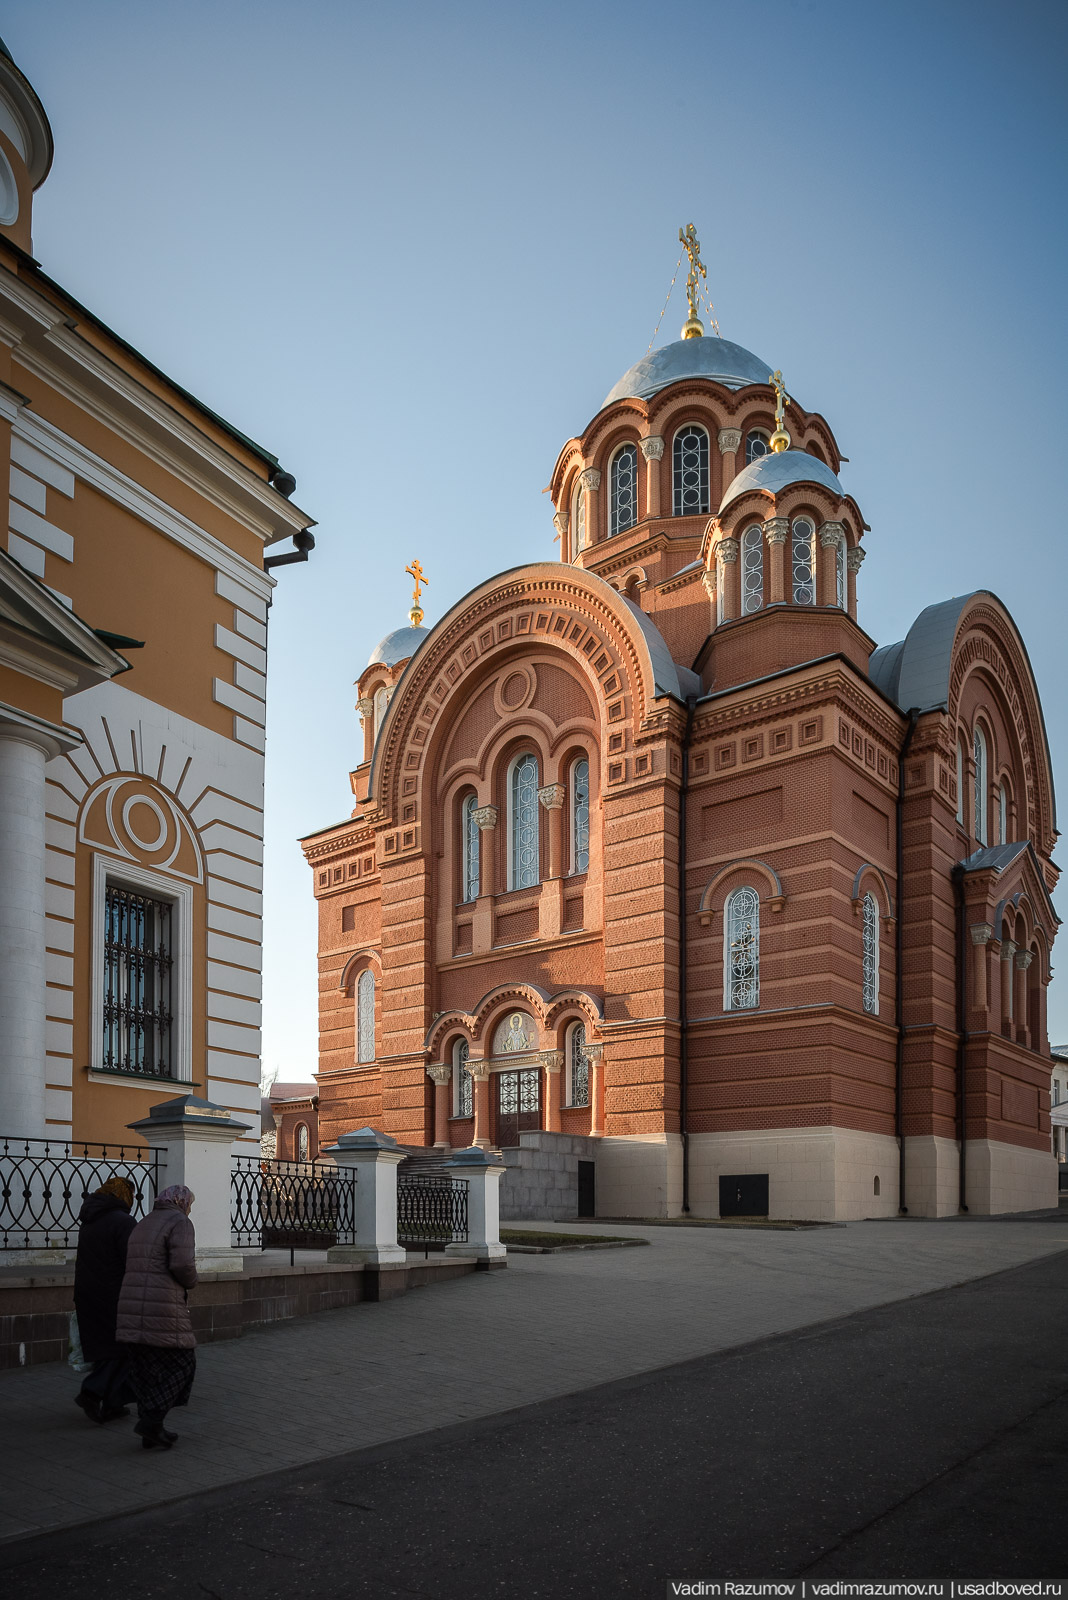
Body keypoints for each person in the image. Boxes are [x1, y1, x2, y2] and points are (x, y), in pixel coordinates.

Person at [115, 1183, 198, 1450]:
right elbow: (182, 1264)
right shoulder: (180, 1222)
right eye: (190, 1204)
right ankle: (151, 1422)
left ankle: (152, 1430)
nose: (189, 1209)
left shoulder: (145, 1221)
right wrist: (193, 1281)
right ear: (182, 1202)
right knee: (182, 1364)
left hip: (132, 1306)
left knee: (147, 1369)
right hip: (163, 1306)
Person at [72, 1175, 137, 1423]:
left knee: (105, 1347)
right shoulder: (123, 1222)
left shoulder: (90, 1219)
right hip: (114, 1293)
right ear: (124, 1194)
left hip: (87, 1292)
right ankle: (92, 1391)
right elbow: (131, 1260)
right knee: (122, 1347)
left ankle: (112, 1404)